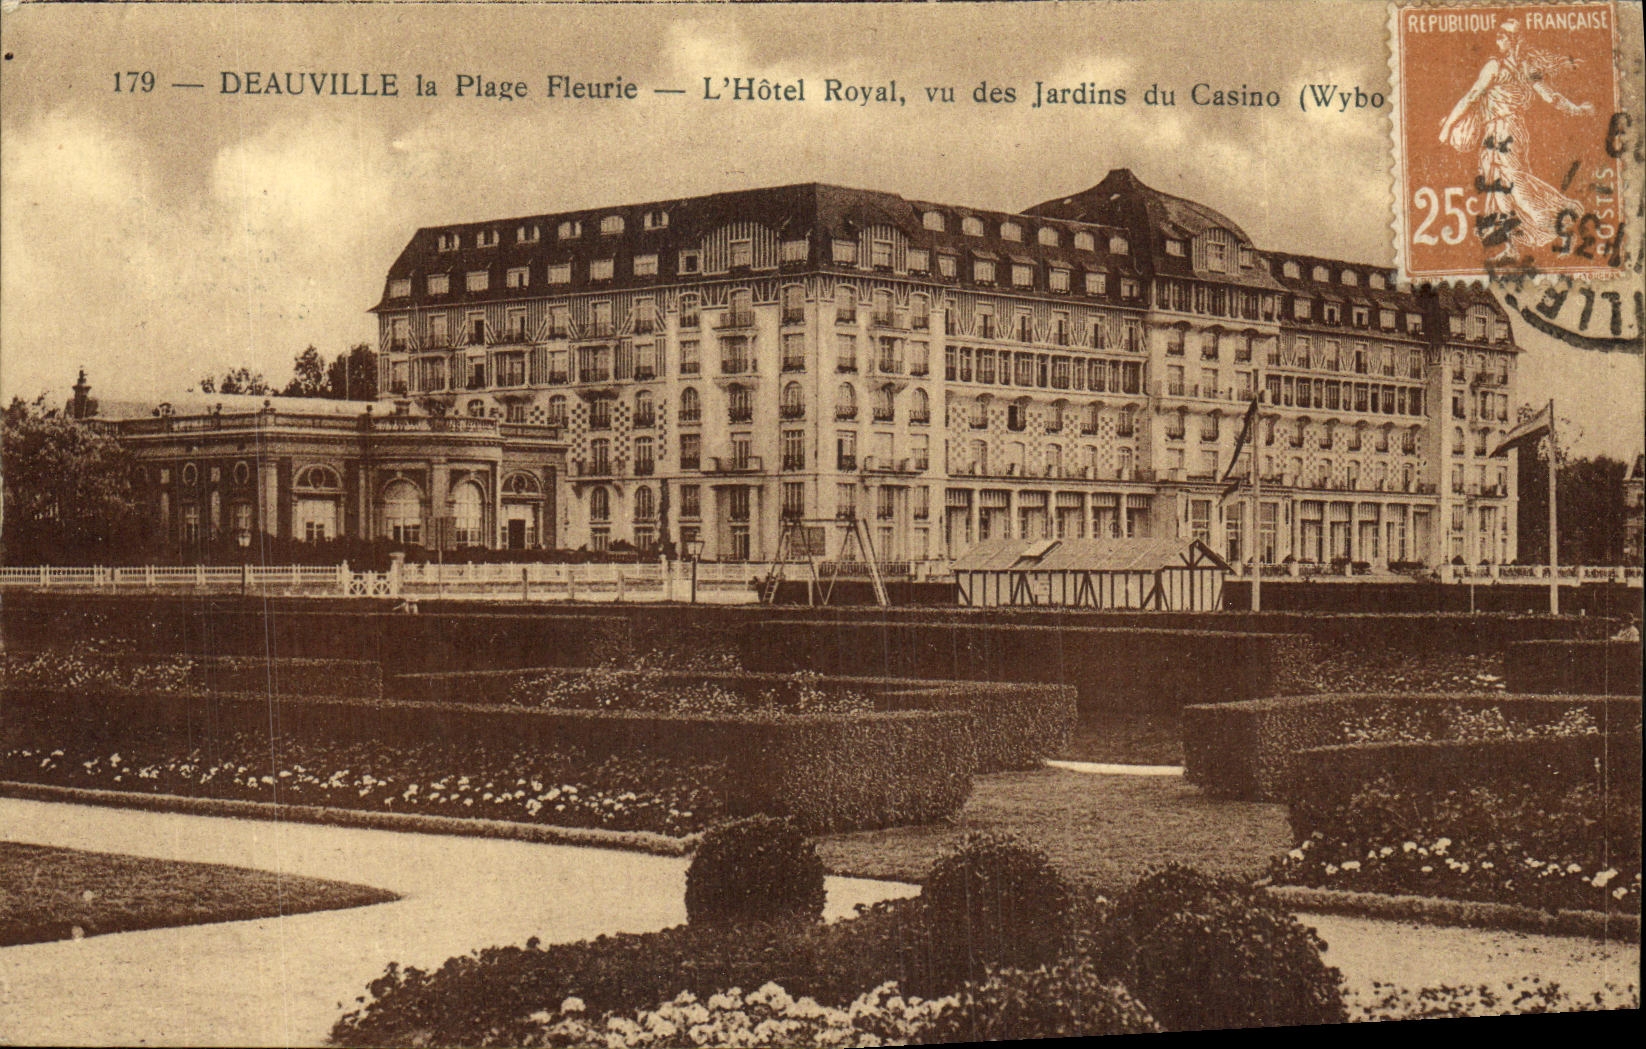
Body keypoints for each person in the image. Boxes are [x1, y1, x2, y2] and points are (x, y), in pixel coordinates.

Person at [1438, 19, 1596, 257]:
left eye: (1505, 36)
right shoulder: (1521, 67)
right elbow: (1550, 96)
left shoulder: (1499, 67)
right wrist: (1577, 109)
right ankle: (1512, 247)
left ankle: (1565, 223)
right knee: (1501, 191)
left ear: (1515, 41)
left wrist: (1447, 126)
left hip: (1505, 133)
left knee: (1516, 188)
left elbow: (1472, 96)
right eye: (1498, 34)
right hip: (1502, 133)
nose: (1499, 39)